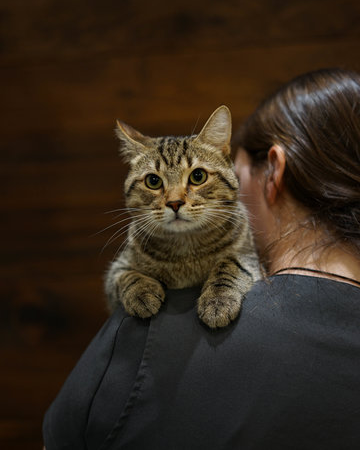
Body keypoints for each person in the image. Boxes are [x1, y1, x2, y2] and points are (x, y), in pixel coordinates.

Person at [43, 68, 360, 450]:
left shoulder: (142, 342)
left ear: (273, 171)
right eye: (155, 181)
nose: (175, 198)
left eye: (200, 177)